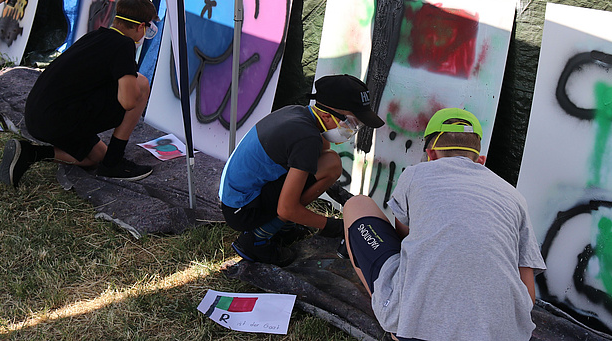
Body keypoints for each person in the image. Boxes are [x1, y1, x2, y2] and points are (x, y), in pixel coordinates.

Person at [342, 108, 546, 341]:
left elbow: (403, 240)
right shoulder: (514, 197)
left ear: (431, 155)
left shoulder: (416, 174)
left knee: (357, 205)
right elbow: (528, 294)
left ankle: (393, 313)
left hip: (414, 333)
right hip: (503, 335)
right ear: (481, 161)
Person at [218, 74, 384, 267]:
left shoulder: (300, 114)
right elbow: (286, 208)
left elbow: (321, 153)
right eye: (352, 123)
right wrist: (337, 227)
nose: (353, 130)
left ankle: (285, 228)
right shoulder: (306, 137)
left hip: (236, 199)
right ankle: (256, 239)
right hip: (243, 211)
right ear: (326, 115)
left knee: (328, 160)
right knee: (331, 165)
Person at [0, 0, 159, 186]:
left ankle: (30, 153)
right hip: (57, 119)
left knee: (97, 157)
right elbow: (128, 102)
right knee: (141, 84)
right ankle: (114, 163)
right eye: (148, 29)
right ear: (141, 27)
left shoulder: (95, 36)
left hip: (37, 116)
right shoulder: (124, 44)